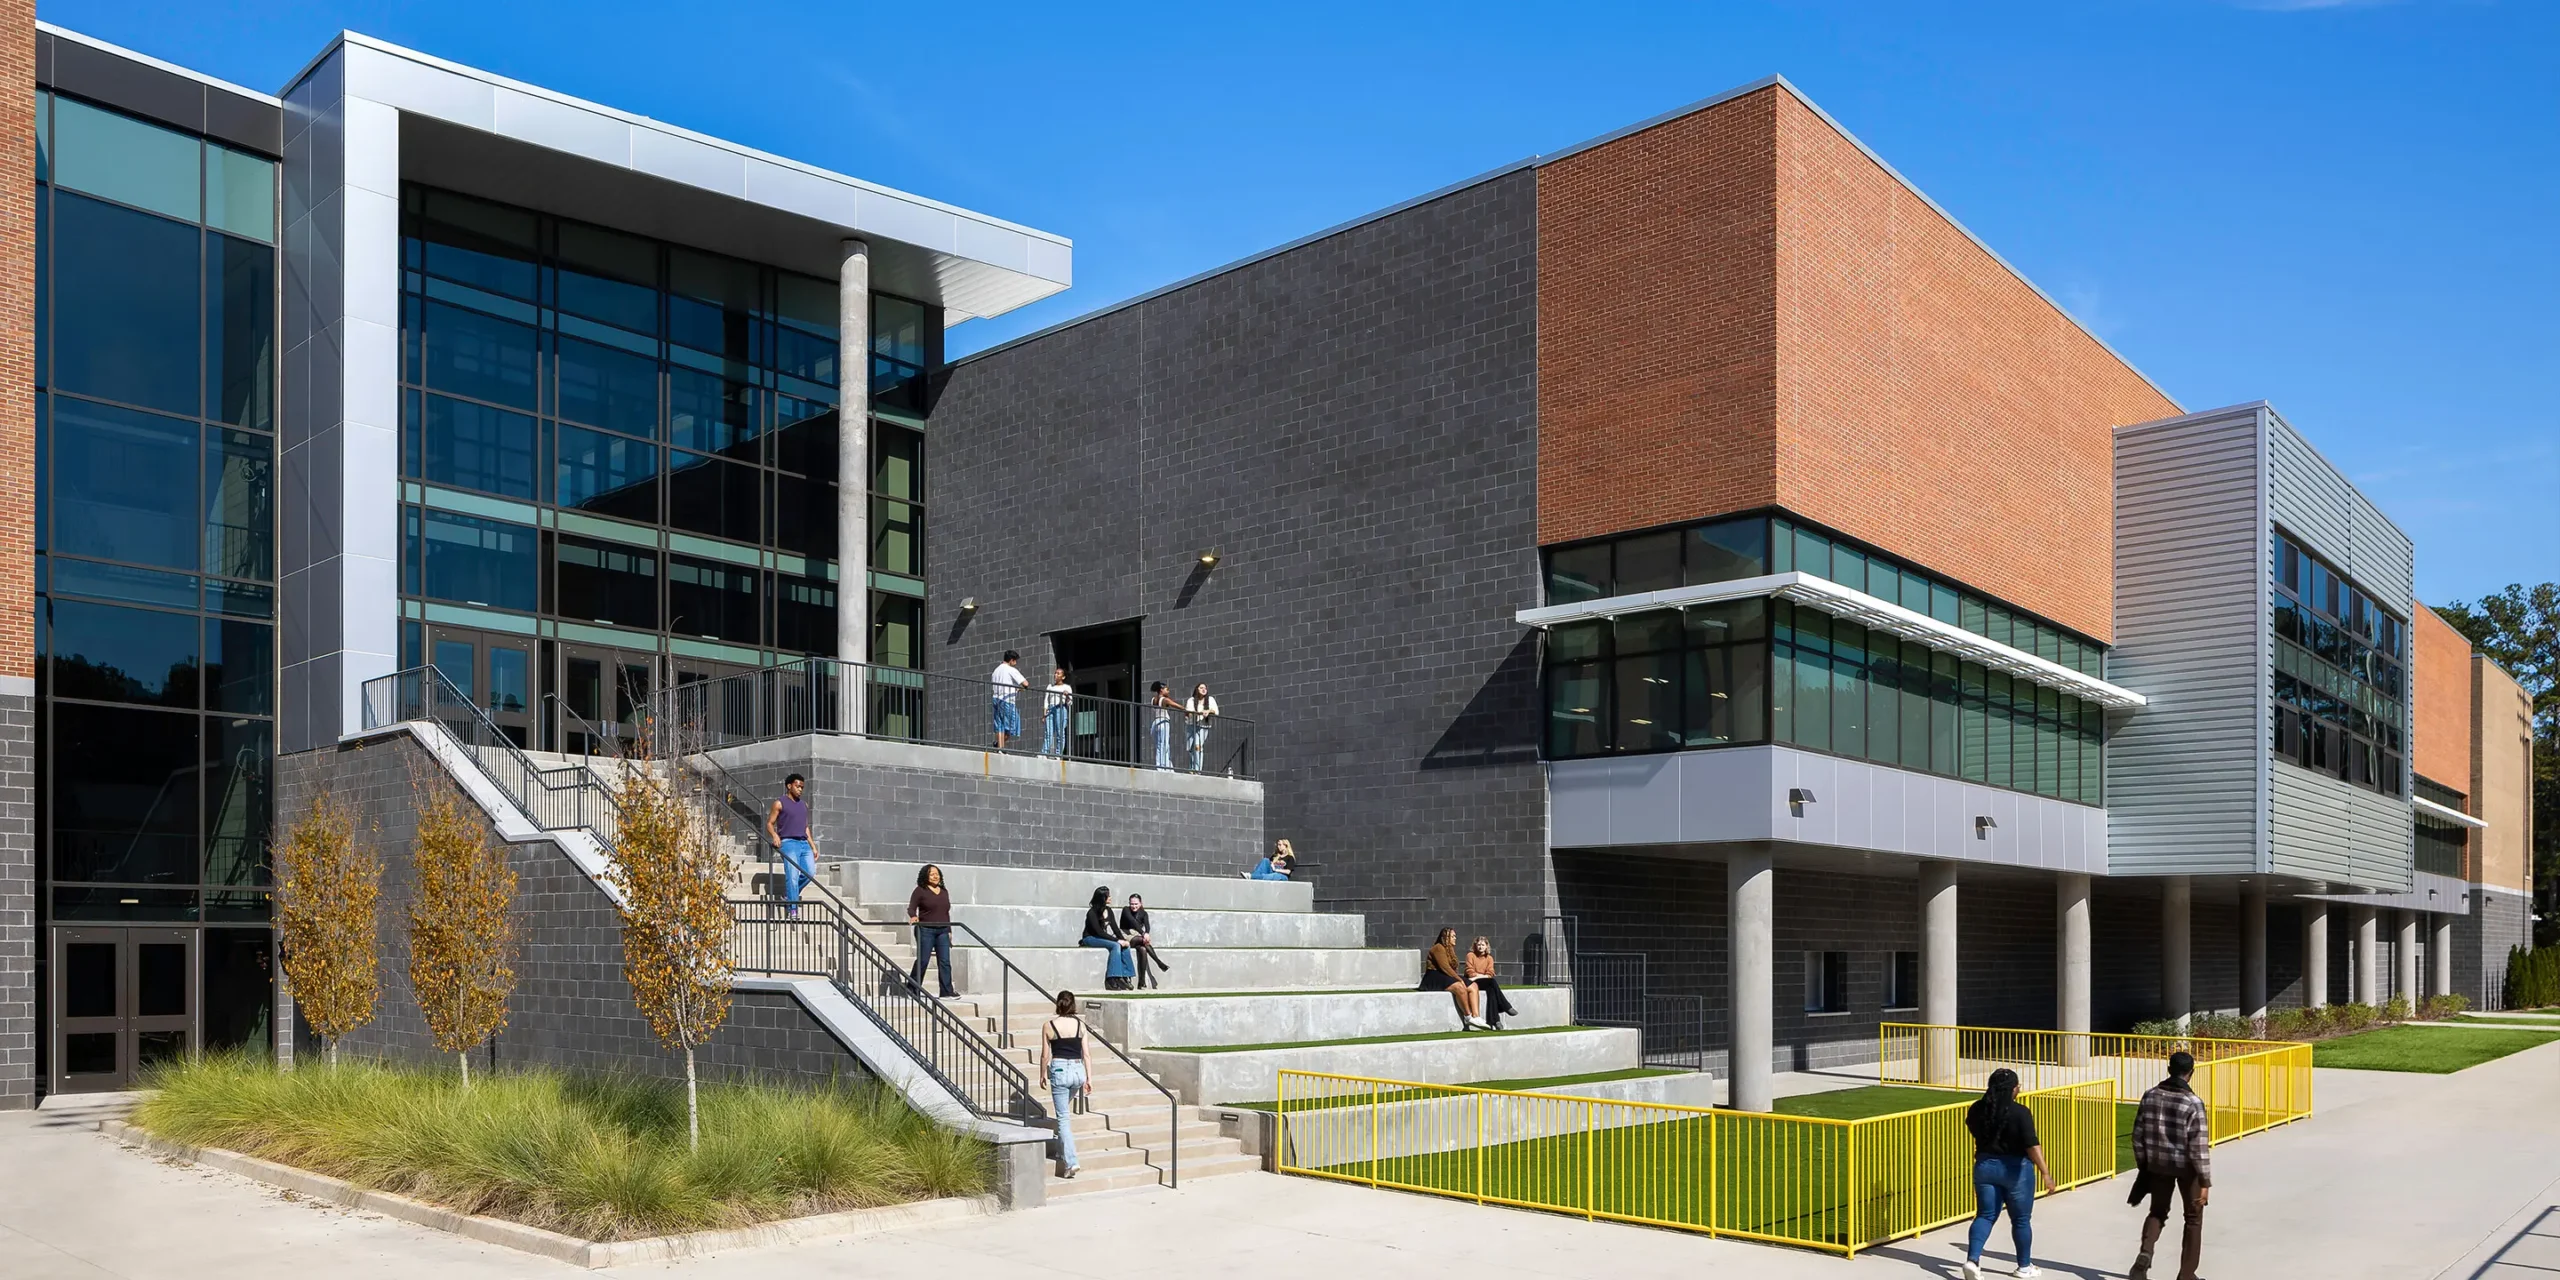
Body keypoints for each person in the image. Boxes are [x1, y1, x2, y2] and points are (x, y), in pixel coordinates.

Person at [1960, 1067, 2054, 1280]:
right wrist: (2046, 1173)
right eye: (2017, 1086)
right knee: (2021, 1220)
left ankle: (1972, 1260)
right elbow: (2032, 1145)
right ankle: (2024, 1266)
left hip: (1985, 1167)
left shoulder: (1977, 1109)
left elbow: (1973, 1129)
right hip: (2016, 1170)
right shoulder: (2020, 1112)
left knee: (1985, 1215)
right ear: (2013, 1089)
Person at [2128, 1050, 2212, 1280]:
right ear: (2191, 1074)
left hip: (2158, 1165)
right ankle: (2186, 1274)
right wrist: (2205, 1182)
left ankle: (2145, 1253)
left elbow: (2137, 1136)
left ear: (2168, 1070)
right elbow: (2199, 1148)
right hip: (2187, 1168)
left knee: (2157, 1212)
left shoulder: (2150, 1095)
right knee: (2193, 1218)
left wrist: (2144, 1164)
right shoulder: (2193, 1103)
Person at [1038, 991, 1090, 1179]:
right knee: (1064, 1115)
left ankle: (1071, 1161)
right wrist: (1089, 1078)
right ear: (1073, 1005)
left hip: (1059, 1069)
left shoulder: (1049, 1026)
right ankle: (1062, 1151)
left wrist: (1042, 1073)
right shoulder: (1080, 1025)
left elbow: (1045, 1055)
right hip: (1077, 1070)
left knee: (1063, 1118)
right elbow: (1086, 1054)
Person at [764, 773, 816, 912]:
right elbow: (769, 823)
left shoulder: (804, 805)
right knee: (792, 876)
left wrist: (813, 846)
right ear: (789, 786)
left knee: (810, 872)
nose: (800, 789)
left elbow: (805, 827)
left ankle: (788, 895)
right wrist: (775, 835)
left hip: (804, 844)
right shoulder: (779, 803)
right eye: (797, 786)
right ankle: (793, 910)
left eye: (802, 787)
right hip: (788, 843)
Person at [1421, 927, 1487, 1030]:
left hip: (1445, 975)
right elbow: (1445, 967)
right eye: (1452, 936)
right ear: (1445, 937)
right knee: (1459, 986)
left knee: (1473, 986)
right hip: (1434, 976)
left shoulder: (1450, 949)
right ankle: (1468, 1016)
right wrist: (1459, 979)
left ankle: (1476, 1016)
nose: (1455, 938)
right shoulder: (1438, 948)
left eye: (1455, 936)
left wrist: (1459, 978)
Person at [906, 863, 956, 998]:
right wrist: (914, 917)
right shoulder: (920, 890)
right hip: (925, 930)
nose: (935, 876)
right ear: (926, 876)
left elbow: (946, 913)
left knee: (945, 962)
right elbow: (911, 908)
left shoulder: (944, 891)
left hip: (943, 931)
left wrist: (949, 930)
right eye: (932, 874)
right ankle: (912, 988)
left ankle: (947, 991)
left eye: (937, 873)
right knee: (923, 960)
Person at [1079, 886, 1139, 990]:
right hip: (1090, 938)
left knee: (1125, 945)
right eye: (1108, 896)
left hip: (1101, 937)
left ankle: (1125, 976)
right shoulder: (1092, 913)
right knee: (1116, 945)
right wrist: (1117, 940)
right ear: (1103, 898)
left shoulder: (1109, 911)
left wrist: (1124, 940)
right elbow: (1099, 932)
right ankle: (1112, 978)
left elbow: (1115, 928)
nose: (1111, 897)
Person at [1464, 936, 1518, 1030]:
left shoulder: (1489, 958)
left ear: (1486, 946)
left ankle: (1495, 1021)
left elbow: (1490, 973)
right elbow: (1470, 972)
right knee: (1492, 982)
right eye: (1479, 945)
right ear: (1475, 946)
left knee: (1492, 990)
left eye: (1483, 945)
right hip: (1472, 982)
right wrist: (1479, 976)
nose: (1480, 947)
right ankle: (1505, 1006)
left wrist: (1478, 976)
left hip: (1485, 981)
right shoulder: (1470, 955)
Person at [1119, 893, 1172, 987]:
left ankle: (1141, 982)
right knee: (1142, 940)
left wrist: (1146, 933)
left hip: (1137, 934)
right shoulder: (1125, 910)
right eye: (1132, 904)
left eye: (1136, 904)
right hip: (1125, 933)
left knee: (1143, 950)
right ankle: (1159, 962)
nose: (1134, 906)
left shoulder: (1143, 913)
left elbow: (1147, 925)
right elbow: (1132, 922)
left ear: (1140, 903)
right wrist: (1143, 934)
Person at [989, 650, 1027, 748]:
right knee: (1010, 727)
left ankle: (1000, 747)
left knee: (999, 725)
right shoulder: (1011, 670)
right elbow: (1026, 683)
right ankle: (999, 746)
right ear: (1011, 660)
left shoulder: (996, 671)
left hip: (996, 698)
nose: (1015, 663)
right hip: (1007, 700)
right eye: (1015, 661)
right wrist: (1020, 688)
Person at [1184, 682, 1220, 772]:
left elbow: (1216, 711)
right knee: (1191, 748)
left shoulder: (1210, 699)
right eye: (1201, 688)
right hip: (1192, 725)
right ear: (1197, 689)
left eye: (1205, 688)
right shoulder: (1191, 700)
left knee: (1198, 746)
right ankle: (1191, 769)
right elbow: (1188, 711)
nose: (1204, 689)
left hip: (1203, 726)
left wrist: (1208, 711)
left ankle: (1197, 769)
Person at [1041, 667, 1075, 758]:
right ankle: (1044, 753)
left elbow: (1070, 702)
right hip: (1051, 709)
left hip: (1061, 708)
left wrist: (1067, 696)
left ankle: (1058, 754)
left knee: (1060, 733)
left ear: (1063, 677)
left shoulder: (1067, 687)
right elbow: (1046, 701)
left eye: (1058, 673)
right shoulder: (1050, 686)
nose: (1055, 675)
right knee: (1048, 732)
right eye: (1055, 673)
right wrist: (1044, 714)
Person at [1145, 681, 1179, 769]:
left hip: (1155, 723)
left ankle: (1166, 765)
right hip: (1163, 722)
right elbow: (1177, 706)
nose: (1168, 692)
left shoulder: (1153, 699)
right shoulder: (1164, 699)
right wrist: (1187, 710)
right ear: (1161, 690)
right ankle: (1161, 766)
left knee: (1160, 746)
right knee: (1164, 745)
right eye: (1167, 690)